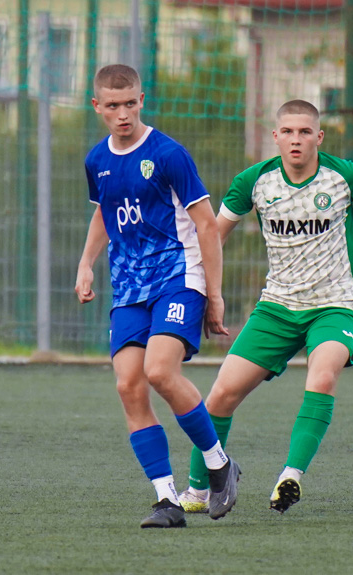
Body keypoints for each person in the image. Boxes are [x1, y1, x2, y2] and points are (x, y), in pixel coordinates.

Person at [179, 99, 353, 515]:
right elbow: (213, 236)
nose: (296, 139)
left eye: (304, 132)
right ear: (275, 136)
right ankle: (198, 489)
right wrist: (202, 291)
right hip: (277, 307)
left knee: (322, 375)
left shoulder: (344, 175)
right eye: (288, 132)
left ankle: (290, 476)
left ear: (319, 136)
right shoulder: (254, 183)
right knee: (221, 395)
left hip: (334, 304)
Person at [74, 64, 241, 528]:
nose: (122, 114)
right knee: (129, 384)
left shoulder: (168, 153)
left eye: (130, 103)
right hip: (128, 288)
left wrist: (214, 292)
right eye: (112, 106)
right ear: (97, 107)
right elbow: (106, 214)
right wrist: (86, 263)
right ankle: (167, 500)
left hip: (177, 278)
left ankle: (218, 463)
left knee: (159, 371)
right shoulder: (96, 160)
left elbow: (206, 223)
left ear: (141, 100)